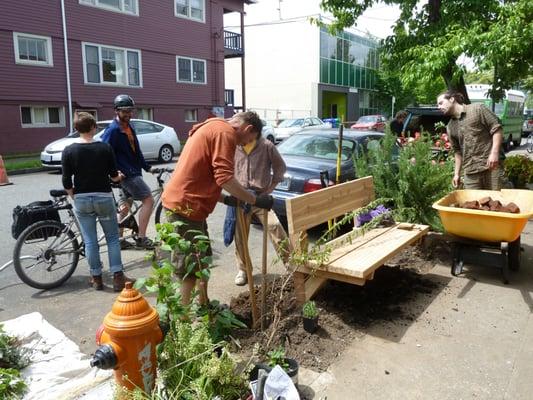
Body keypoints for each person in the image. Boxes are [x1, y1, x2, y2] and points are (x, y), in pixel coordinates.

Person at [161, 111, 274, 305]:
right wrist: (254, 200)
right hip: (185, 208)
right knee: (189, 267)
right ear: (247, 129)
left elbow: (204, 177)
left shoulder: (213, 128)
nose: (244, 145)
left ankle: (204, 306)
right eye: (248, 140)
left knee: (202, 260)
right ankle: (184, 323)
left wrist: (228, 200)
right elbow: (224, 178)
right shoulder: (225, 133)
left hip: (191, 206)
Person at [61, 112, 132, 291]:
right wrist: (120, 177)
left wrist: (74, 196)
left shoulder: (69, 150)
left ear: (76, 129)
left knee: (90, 240)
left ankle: (97, 278)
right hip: (104, 197)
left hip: (82, 199)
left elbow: (66, 181)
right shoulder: (104, 148)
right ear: (93, 128)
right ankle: (117, 277)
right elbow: (114, 176)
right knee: (112, 238)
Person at [231, 129, 288, 286]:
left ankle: (292, 265)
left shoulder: (267, 146)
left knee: (275, 226)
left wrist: (270, 189)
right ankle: (243, 269)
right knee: (240, 235)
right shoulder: (235, 146)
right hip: (241, 197)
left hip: (260, 198)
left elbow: (280, 167)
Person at [101, 94, 155, 249]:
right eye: (125, 111)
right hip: (127, 174)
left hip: (132, 171)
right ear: (117, 111)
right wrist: (114, 171)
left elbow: (136, 151)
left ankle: (118, 240)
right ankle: (141, 238)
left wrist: (147, 167)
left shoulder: (128, 127)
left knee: (125, 206)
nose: (129, 114)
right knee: (149, 200)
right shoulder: (113, 130)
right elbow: (104, 152)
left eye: (131, 111)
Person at [437, 90, 504, 190]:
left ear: (451, 99)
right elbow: (457, 152)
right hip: (470, 172)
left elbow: (497, 129)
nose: (439, 107)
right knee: (472, 204)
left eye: (441, 103)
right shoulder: (450, 127)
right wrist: (456, 174)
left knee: (497, 202)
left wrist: (494, 153)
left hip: (491, 167)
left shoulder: (477, 109)